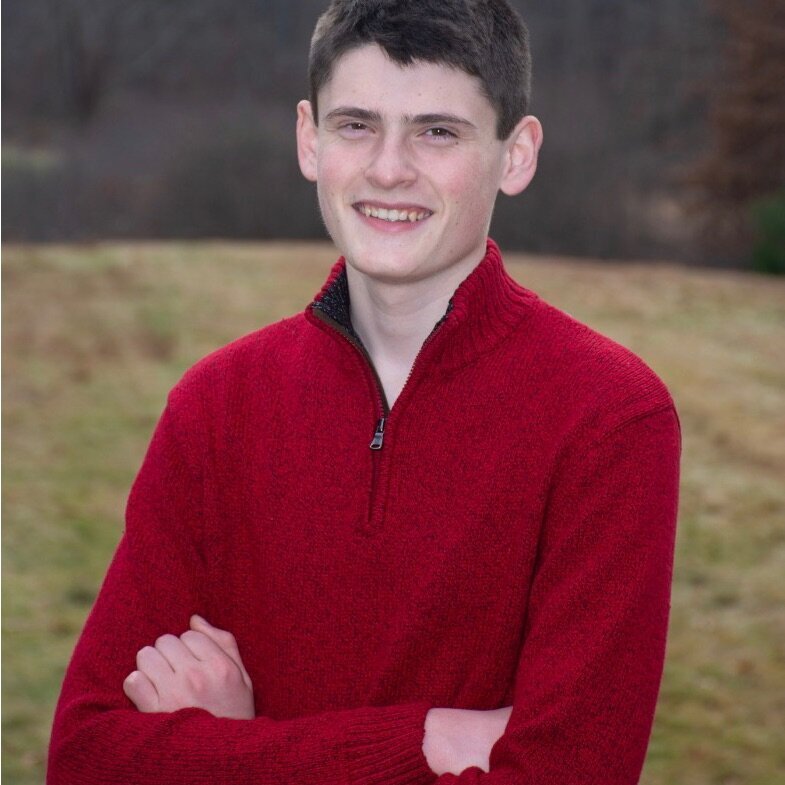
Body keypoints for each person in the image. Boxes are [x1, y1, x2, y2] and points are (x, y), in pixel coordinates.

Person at [47, 1, 680, 783]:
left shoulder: (609, 417)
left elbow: (571, 769)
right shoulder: (215, 407)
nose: (388, 169)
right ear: (309, 139)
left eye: (436, 132)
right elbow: (86, 755)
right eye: (356, 125)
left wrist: (228, 749)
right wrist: (425, 741)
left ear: (515, 155)